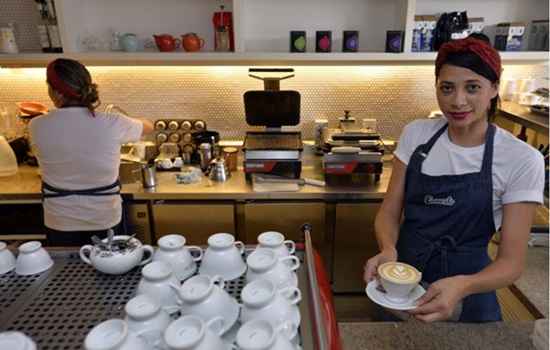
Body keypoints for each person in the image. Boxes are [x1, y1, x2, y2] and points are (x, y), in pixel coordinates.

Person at [363, 34, 545, 323]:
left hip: (470, 293)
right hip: (401, 286)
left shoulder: (521, 160)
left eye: (472, 87)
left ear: (494, 88)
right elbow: (388, 212)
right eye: (447, 88)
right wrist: (388, 248)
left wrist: (463, 286)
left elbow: (511, 264)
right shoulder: (416, 135)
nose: (458, 101)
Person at [29, 58, 154, 246]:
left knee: (68, 271)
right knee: (110, 267)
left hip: (60, 220)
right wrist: (123, 122)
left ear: (55, 93)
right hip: (104, 219)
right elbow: (149, 126)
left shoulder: (36, 125)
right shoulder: (112, 122)